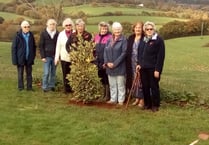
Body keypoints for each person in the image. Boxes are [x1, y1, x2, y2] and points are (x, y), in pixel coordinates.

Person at [136, 21, 165, 112]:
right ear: (145, 30)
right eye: (147, 29)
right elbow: (140, 53)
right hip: (143, 68)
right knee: (145, 86)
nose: (149, 30)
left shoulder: (159, 40)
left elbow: (161, 57)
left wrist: (157, 70)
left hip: (153, 68)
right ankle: (147, 104)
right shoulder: (144, 39)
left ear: (154, 29)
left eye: (151, 29)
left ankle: (155, 105)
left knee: (154, 86)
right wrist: (139, 64)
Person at [104, 22, 127, 105]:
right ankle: (113, 99)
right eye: (115, 29)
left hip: (120, 67)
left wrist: (115, 63)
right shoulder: (109, 40)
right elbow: (105, 51)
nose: (117, 31)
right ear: (112, 30)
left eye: (118, 29)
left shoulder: (124, 40)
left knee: (120, 85)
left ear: (121, 30)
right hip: (109, 67)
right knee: (112, 85)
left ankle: (121, 100)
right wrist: (107, 62)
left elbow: (124, 53)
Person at [11, 20, 36, 91]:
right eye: (25, 27)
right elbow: (13, 48)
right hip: (20, 58)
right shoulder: (17, 36)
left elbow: (34, 46)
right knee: (20, 74)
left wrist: (33, 56)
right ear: (22, 27)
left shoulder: (31, 35)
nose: (27, 28)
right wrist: (14, 60)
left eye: (28, 27)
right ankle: (21, 88)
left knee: (29, 74)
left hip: (29, 58)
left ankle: (29, 87)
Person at [126, 21, 144, 108]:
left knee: (141, 81)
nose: (138, 29)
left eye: (139, 27)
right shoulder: (131, 37)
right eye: (136, 27)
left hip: (141, 63)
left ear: (142, 29)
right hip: (132, 62)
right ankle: (137, 98)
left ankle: (142, 100)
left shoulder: (145, 38)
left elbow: (145, 52)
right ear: (134, 28)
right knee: (134, 80)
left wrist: (140, 63)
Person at [54, 18, 74, 94]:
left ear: (72, 25)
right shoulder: (61, 34)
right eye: (66, 25)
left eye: (69, 25)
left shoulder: (75, 33)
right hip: (64, 57)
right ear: (64, 26)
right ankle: (66, 89)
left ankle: (73, 88)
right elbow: (58, 46)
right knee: (65, 74)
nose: (68, 26)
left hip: (73, 57)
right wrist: (56, 57)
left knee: (73, 73)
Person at [93, 21, 112, 101]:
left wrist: (107, 61)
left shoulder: (110, 37)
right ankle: (103, 94)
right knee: (101, 78)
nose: (103, 30)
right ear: (99, 29)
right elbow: (93, 49)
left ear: (107, 29)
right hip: (98, 62)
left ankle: (107, 95)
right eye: (102, 28)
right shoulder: (96, 37)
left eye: (105, 28)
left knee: (106, 78)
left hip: (105, 61)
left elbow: (111, 50)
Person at [39, 19, 59, 92]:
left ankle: (52, 86)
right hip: (46, 56)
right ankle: (44, 87)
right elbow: (41, 46)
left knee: (53, 73)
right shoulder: (43, 33)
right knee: (46, 72)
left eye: (53, 24)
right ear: (47, 25)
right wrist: (42, 56)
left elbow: (59, 45)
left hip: (54, 56)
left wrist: (58, 56)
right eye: (50, 24)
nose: (52, 25)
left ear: (55, 25)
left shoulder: (57, 33)